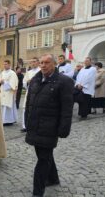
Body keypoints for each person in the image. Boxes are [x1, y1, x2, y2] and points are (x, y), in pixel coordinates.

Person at [25, 54, 74, 197]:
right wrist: (27, 120)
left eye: (47, 62)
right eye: (41, 62)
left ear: (54, 64)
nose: (43, 65)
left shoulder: (64, 81)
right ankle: (53, 178)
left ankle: (37, 192)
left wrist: (64, 128)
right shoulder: (35, 79)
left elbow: (67, 108)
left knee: (43, 159)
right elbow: (29, 102)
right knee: (43, 154)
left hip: (50, 127)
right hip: (35, 125)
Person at [21, 58, 40, 132]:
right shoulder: (28, 72)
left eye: (34, 62)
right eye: (31, 62)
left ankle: (35, 126)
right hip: (29, 93)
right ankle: (25, 125)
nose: (33, 63)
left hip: (38, 93)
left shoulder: (41, 71)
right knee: (25, 108)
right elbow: (24, 83)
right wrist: (28, 82)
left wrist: (34, 81)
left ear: (38, 62)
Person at [0, 60, 18, 125]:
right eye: (4, 64)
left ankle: (9, 121)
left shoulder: (12, 73)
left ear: (9, 65)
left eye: (6, 64)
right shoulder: (2, 72)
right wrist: (0, 82)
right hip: (2, 91)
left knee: (8, 106)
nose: (4, 65)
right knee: (2, 105)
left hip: (9, 92)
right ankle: (2, 120)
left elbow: (13, 83)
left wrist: (5, 83)